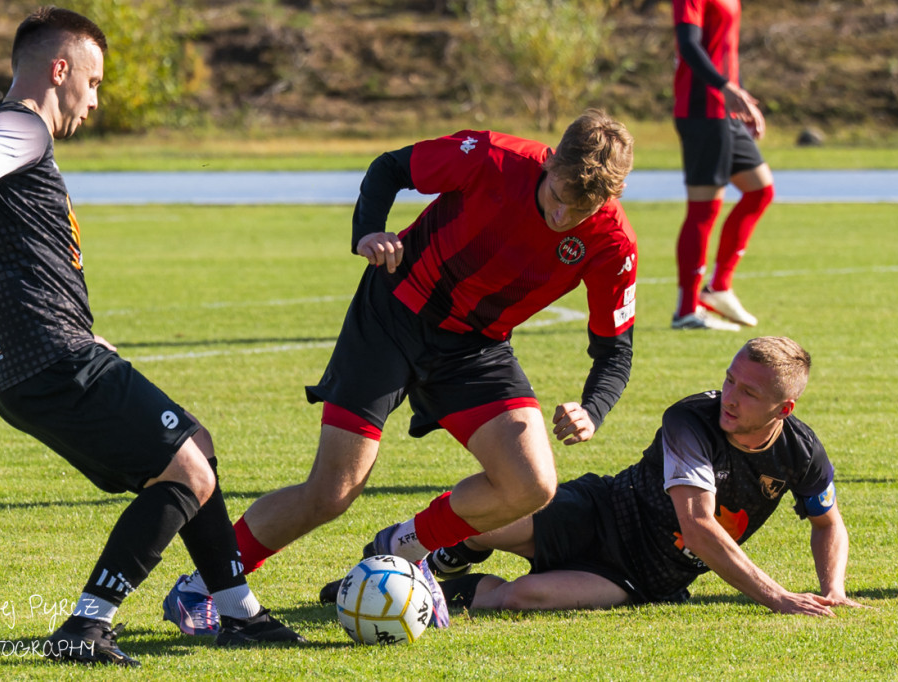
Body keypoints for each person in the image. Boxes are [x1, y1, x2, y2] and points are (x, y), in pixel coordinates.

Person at [0, 7, 302, 666]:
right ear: (60, 69)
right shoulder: (22, 126)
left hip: (46, 354)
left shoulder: (21, 135)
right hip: (47, 357)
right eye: (94, 82)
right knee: (185, 467)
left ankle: (239, 612)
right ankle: (86, 625)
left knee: (196, 447)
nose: (95, 101)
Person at [166, 109, 639, 624]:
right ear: (549, 163)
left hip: (474, 349)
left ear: (609, 200)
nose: (562, 218)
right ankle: (202, 586)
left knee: (532, 484)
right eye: (557, 198)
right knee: (331, 492)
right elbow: (390, 168)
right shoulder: (491, 158)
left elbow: (616, 349)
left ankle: (403, 548)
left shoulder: (614, 245)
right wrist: (368, 232)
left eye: (579, 212)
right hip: (393, 314)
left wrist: (593, 409)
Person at [410, 337, 862, 618]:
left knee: (517, 599)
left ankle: (429, 594)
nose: (730, 397)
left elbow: (828, 522)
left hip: (642, 576)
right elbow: (699, 528)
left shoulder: (801, 452)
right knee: (484, 520)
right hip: (601, 510)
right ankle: (443, 552)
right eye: (729, 381)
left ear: (783, 409)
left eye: (749, 392)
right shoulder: (691, 420)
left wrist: (833, 590)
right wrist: (779, 597)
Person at [671, 0, 775, 331]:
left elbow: (725, 50)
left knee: (760, 190)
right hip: (701, 109)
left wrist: (739, 97)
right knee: (704, 210)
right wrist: (725, 87)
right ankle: (687, 310)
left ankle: (719, 288)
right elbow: (688, 45)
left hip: (726, 109)